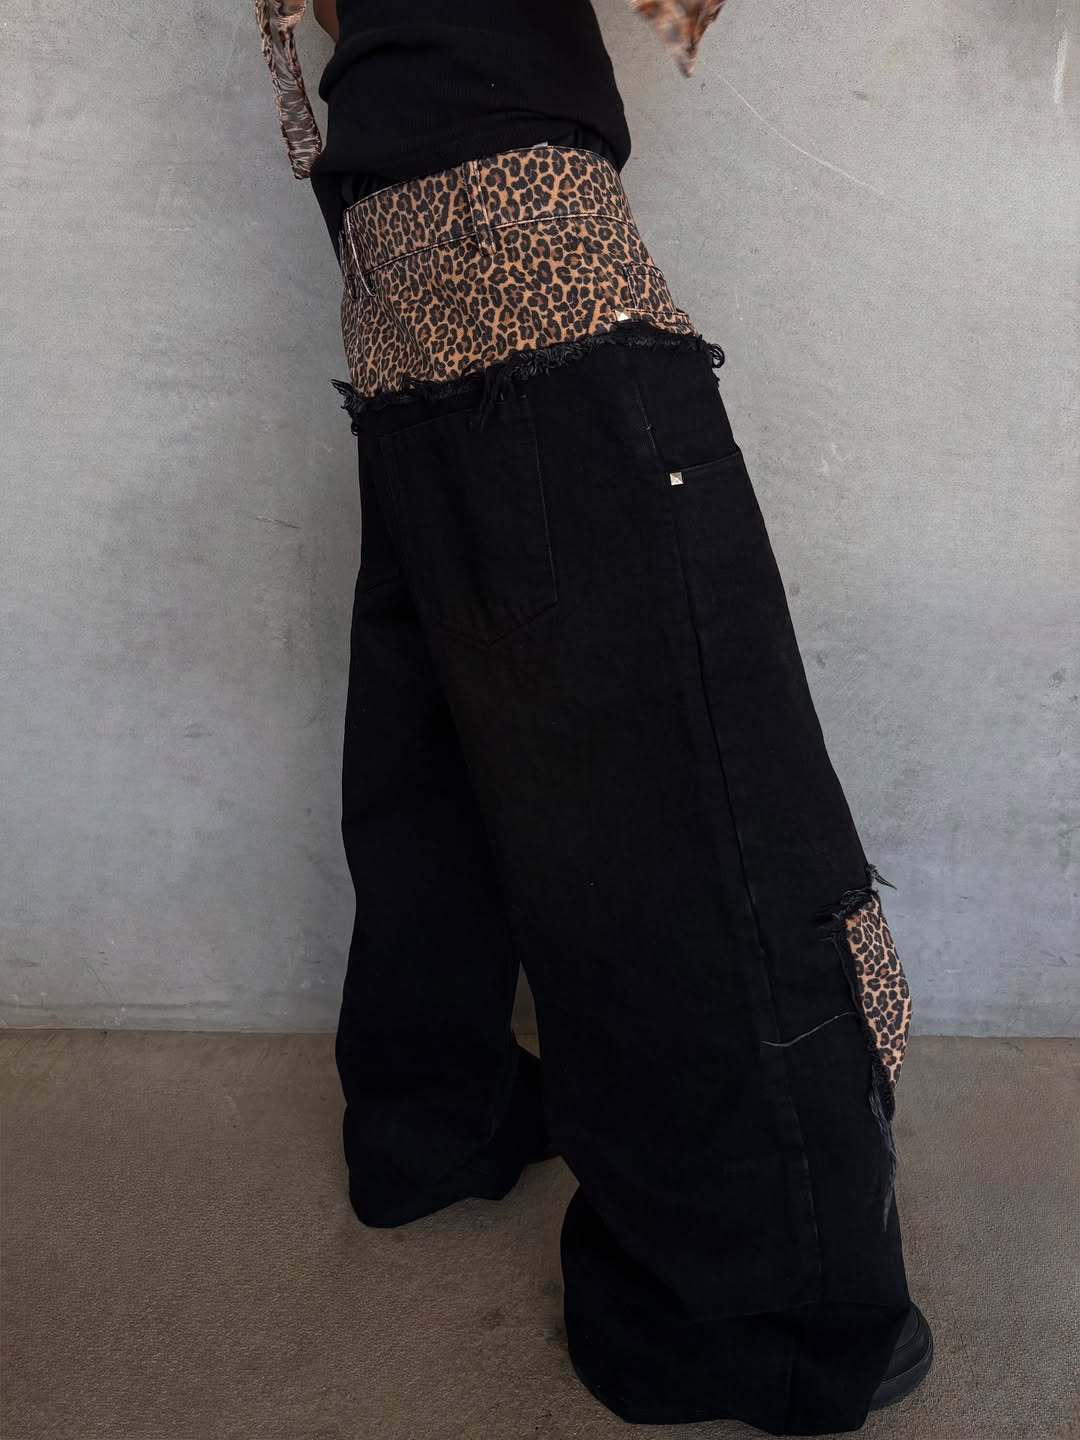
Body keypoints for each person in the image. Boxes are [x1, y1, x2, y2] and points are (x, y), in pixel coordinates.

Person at [251, 2, 933, 1432]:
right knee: (692, 788)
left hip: (389, 247)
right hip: (524, 231)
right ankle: (748, 1324)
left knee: (447, 741)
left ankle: (434, 1123)